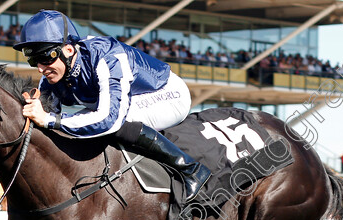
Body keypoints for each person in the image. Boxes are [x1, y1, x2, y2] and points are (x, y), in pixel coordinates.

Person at [14, 10, 210, 202]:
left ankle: (190, 169)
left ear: (68, 49)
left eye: (46, 57)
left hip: (167, 95)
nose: (40, 68)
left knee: (115, 124)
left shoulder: (105, 56)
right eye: (34, 60)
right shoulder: (50, 77)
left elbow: (109, 120)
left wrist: (50, 119)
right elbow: (45, 120)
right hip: (129, 100)